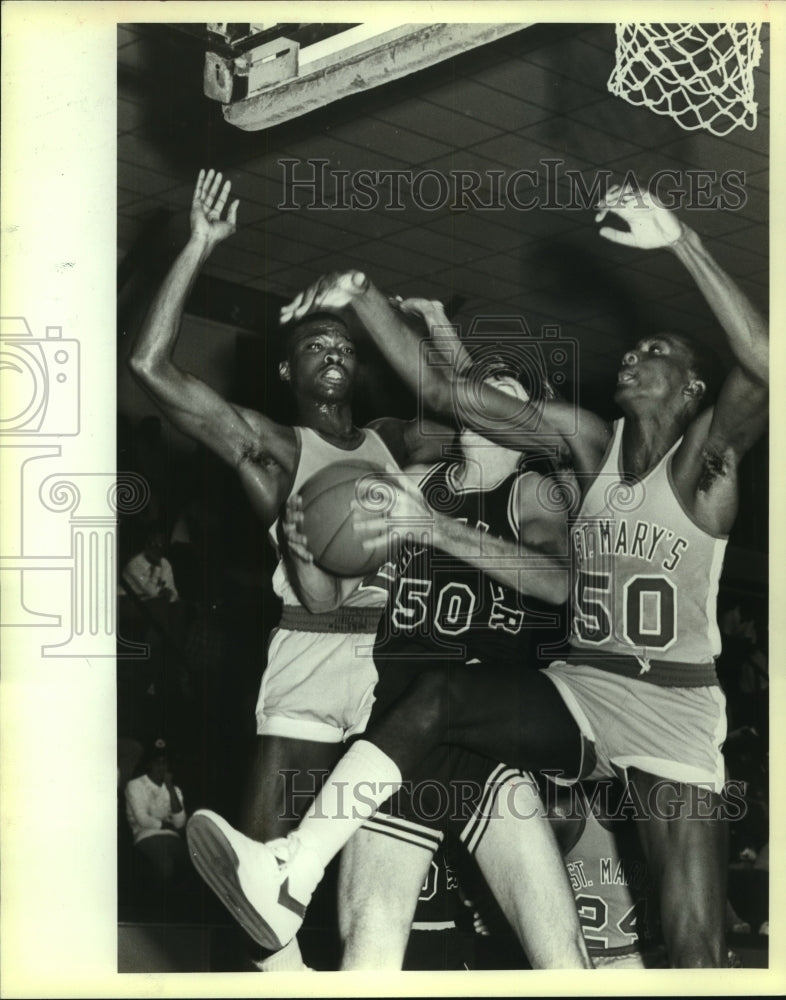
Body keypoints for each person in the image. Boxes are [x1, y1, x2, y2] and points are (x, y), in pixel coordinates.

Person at [184, 183, 768, 968]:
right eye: (634, 348)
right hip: (587, 689)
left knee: (697, 948)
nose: (634, 355)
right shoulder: (592, 442)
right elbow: (447, 394)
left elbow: (764, 366)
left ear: (694, 389)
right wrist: (363, 297)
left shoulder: (705, 466)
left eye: (658, 352)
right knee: (440, 696)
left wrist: (681, 241)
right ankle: (291, 868)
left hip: (675, 709)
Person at [128, 168, 455, 970]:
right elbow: (149, 367)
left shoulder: (393, 442)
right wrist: (199, 245)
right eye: (316, 344)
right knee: (255, 895)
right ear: (287, 372)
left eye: (343, 344)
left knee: (377, 905)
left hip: (395, 657)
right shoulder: (271, 445)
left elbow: (464, 408)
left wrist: (427, 325)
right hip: (312, 653)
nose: (334, 351)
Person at [190, 338, 592, 968]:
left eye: (505, 399)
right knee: (369, 947)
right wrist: (302, 550)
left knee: (560, 955)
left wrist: (436, 530)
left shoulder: (532, 492)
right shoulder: (406, 484)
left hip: (486, 742)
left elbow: (561, 581)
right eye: (477, 395)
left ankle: (293, 868)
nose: (486, 407)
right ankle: (288, 883)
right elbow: (327, 599)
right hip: (397, 742)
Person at [124, 741, 188, 883]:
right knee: (166, 867)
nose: (161, 767)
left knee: (195, 865)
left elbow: (180, 823)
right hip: (146, 835)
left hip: (173, 838)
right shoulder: (135, 785)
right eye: (157, 762)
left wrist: (170, 787)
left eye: (164, 763)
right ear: (149, 764)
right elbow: (142, 818)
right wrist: (166, 825)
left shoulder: (175, 790)